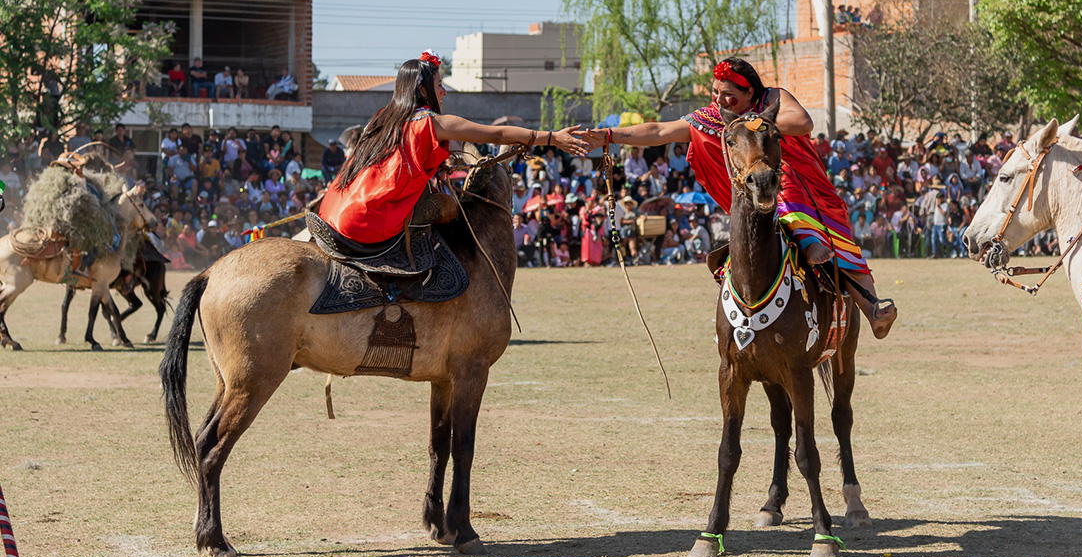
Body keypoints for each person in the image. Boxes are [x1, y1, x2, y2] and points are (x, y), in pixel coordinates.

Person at [582, 57, 895, 338]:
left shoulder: (773, 97)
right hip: (752, 198)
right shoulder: (712, 118)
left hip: (807, 189)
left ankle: (872, 312)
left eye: (728, 94)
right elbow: (660, 131)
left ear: (750, 93)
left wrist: (751, 126)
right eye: (715, 93)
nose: (719, 100)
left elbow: (803, 123)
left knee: (798, 196)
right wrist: (609, 136)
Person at [316, 51, 586, 248]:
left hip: (333, 210)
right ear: (423, 90)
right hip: (366, 219)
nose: (443, 92)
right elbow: (499, 133)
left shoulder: (384, 117)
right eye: (439, 85)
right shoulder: (431, 122)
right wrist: (552, 137)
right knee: (446, 217)